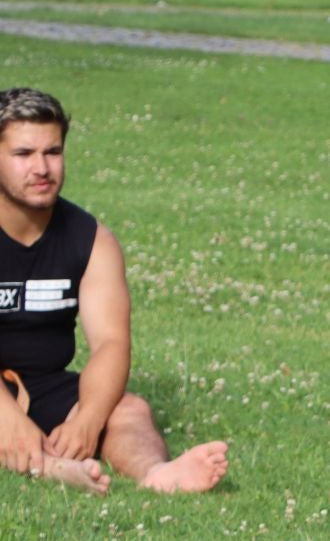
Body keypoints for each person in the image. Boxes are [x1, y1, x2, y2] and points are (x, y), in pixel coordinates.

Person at [0, 87, 228, 494]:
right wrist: (9, 417)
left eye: (52, 152)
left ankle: (156, 473)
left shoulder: (91, 240)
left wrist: (87, 418)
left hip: (45, 383)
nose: (42, 167)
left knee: (128, 409)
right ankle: (52, 467)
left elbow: (110, 342)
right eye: (23, 154)